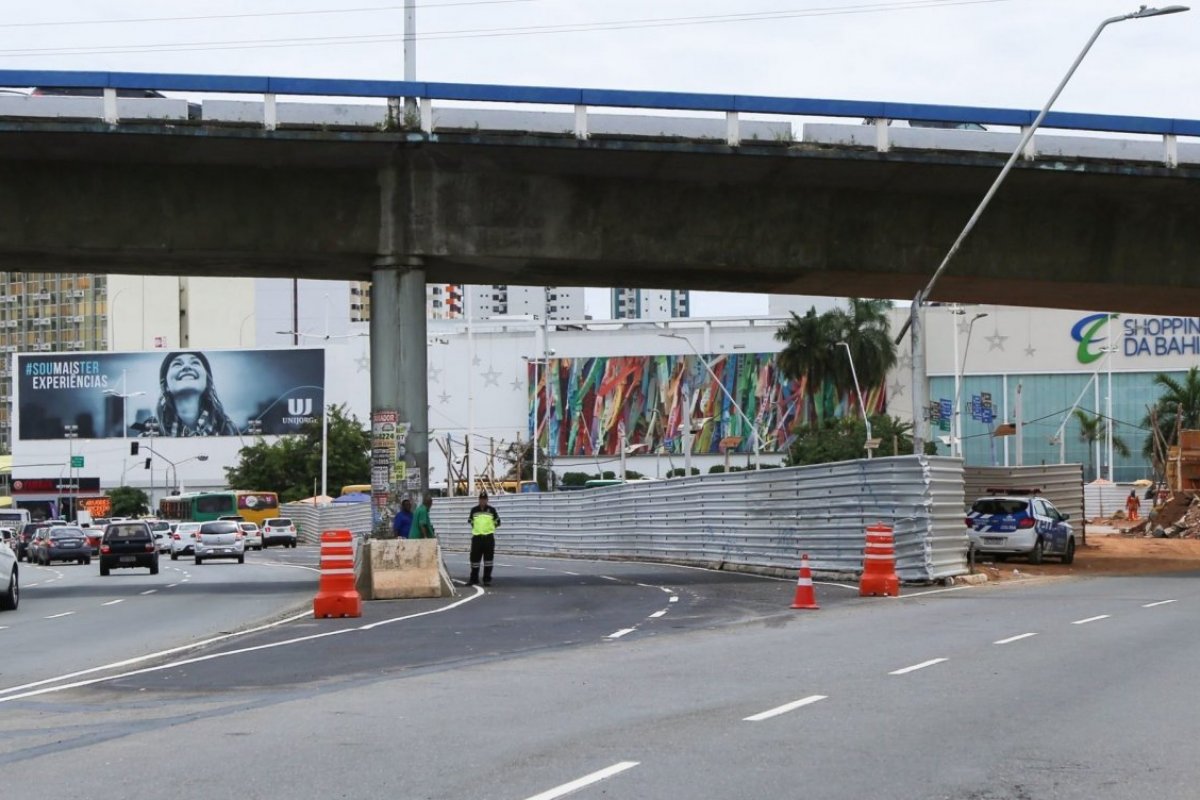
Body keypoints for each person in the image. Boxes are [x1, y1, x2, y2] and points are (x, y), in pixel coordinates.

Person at [139, 351, 238, 437]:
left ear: (208, 382)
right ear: (166, 386)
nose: (186, 367)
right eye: (177, 364)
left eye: (195, 363)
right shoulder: (150, 430)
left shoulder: (227, 428)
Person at [466, 491, 501, 586]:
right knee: (474, 560)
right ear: (479, 500)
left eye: (484, 499)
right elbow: (471, 521)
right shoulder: (474, 510)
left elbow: (498, 522)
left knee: (488, 560)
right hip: (477, 538)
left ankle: (486, 579)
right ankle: (474, 579)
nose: (482, 501)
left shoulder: (492, 510)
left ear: (487, 500)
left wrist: (490, 528)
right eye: (481, 499)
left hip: (488, 538)